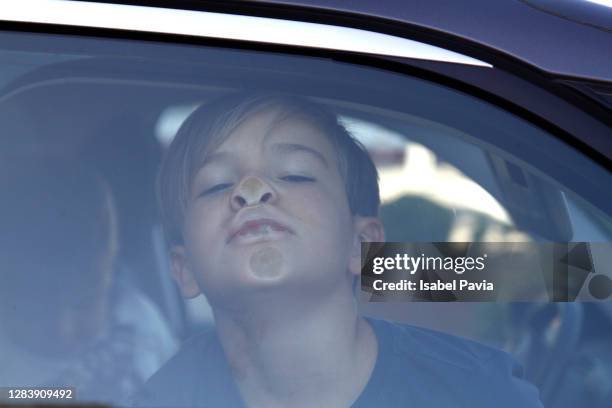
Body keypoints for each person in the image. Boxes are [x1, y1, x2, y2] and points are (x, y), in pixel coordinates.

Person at [134, 92, 543, 407]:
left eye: (296, 175)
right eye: (218, 185)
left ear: (360, 244)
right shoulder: (160, 398)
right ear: (183, 268)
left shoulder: (481, 393)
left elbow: (595, 273)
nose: (252, 192)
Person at [0, 158, 177, 405]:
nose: (63, 329)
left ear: (109, 272)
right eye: (37, 308)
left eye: (84, 302)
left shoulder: (138, 319)